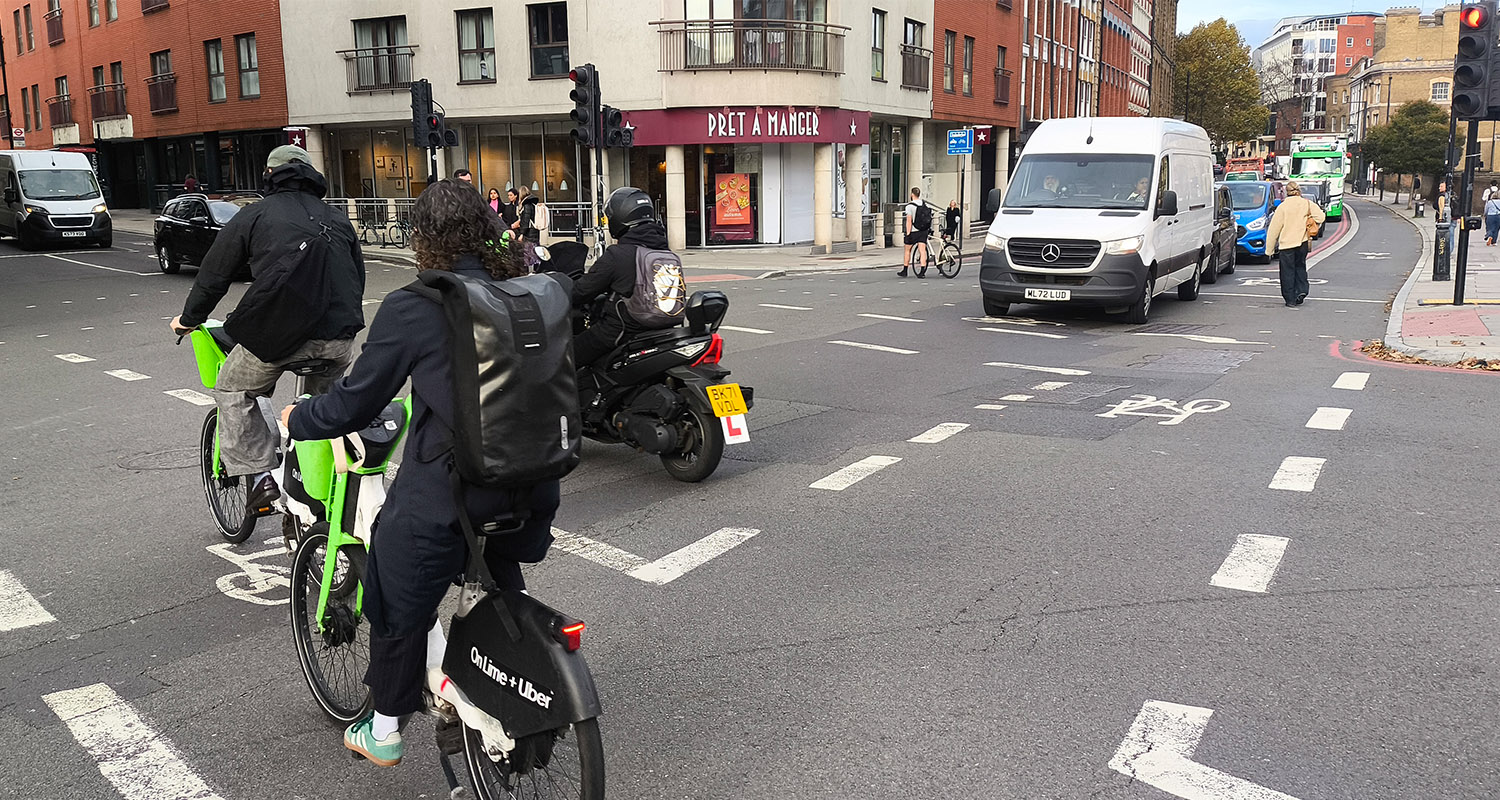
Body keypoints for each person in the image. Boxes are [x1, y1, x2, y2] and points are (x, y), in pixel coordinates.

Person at [282, 180, 559, 768]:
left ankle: (384, 728)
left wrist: (299, 417)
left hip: (456, 492)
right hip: (535, 485)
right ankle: (517, 656)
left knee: (393, 579)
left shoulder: (417, 304)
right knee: (496, 572)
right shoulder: (522, 294)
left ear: (423, 241)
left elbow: (356, 401)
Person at [169, 145, 365, 514]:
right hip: (338, 340)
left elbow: (213, 275)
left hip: (278, 337)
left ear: (269, 174)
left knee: (232, 387)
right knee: (321, 406)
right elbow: (357, 277)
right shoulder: (337, 218)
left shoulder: (254, 215)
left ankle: (260, 477)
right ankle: (329, 482)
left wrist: (189, 318)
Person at [572, 186, 668, 369]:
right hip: (662, 332)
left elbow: (581, 291)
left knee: (568, 355)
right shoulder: (665, 251)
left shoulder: (617, 254)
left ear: (619, 219)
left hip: (621, 331)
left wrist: (561, 288)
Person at [1265, 180, 1325, 308]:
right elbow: (1321, 217)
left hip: (1286, 245)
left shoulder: (1282, 207)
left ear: (1287, 192)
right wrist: (1309, 220)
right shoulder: (1307, 204)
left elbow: (1274, 229)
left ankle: (1290, 299)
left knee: (1287, 271)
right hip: (1302, 242)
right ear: (1299, 191)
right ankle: (1302, 291)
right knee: (1300, 267)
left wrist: (1269, 250)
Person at [900, 187, 931, 277]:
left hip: (914, 231)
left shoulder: (909, 206)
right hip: (923, 231)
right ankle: (922, 271)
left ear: (912, 194)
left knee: (907, 250)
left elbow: (909, 221)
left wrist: (908, 233)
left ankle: (905, 270)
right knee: (922, 251)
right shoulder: (924, 204)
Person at [515, 186, 542, 268]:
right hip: (534, 230)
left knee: (528, 252)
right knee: (535, 250)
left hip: (529, 232)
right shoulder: (533, 204)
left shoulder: (526, 206)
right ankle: (536, 269)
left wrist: (522, 234)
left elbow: (526, 221)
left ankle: (528, 270)